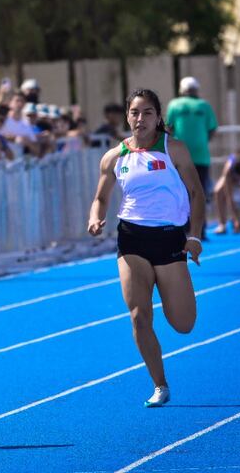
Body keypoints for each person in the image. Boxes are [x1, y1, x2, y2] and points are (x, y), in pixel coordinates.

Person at [87, 89, 204, 408]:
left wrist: (193, 237)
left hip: (168, 238)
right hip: (131, 238)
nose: (141, 119)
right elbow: (100, 197)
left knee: (183, 324)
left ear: (158, 117)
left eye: (148, 112)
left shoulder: (173, 148)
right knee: (139, 314)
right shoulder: (114, 156)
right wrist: (95, 217)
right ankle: (160, 385)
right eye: (135, 112)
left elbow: (196, 192)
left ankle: (171, 296)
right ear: (127, 116)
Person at [165, 76, 218, 239]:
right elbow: (213, 129)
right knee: (199, 193)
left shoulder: (174, 104)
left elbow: (168, 128)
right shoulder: (204, 105)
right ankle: (200, 231)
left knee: (181, 193)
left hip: (180, 157)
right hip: (201, 156)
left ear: (182, 90)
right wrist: (202, 142)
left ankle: (183, 229)